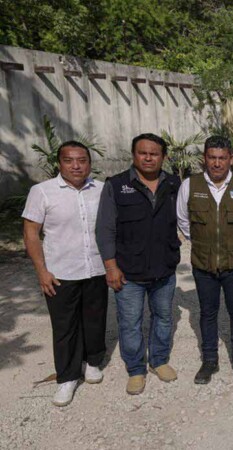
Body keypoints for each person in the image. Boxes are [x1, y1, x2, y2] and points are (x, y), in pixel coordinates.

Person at [95, 133, 182, 395]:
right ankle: (135, 369)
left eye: (154, 153)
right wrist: (111, 266)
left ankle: (159, 360)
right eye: (142, 153)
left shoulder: (174, 184)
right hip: (128, 272)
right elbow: (104, 229)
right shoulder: (117, 185)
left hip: (164, 269)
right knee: (130, 322)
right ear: (133, 155)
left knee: (164, 318)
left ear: (163, 157)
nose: (148, 157)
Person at [22, 141, 107, 406]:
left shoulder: (103, 190)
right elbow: (31, 233)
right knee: (64, 326)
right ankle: (67, 377)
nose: (76, 166)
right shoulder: (42, 192)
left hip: (96, 269)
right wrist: (41, 272)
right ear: (60, 163)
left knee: (95, 319)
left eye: (82, 160)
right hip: (60, 273)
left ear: (89, 163)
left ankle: (92, 361)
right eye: (69, 160)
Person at [176, 136, 233, 384]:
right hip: (203, 265)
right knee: (207, 313)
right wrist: (203, 243)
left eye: (222, 158)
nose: (217, 163)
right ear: (204, 159)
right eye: (212, 158)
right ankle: (210, 360)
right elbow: (184, 221)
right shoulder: (189, 185)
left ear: (231, 159)